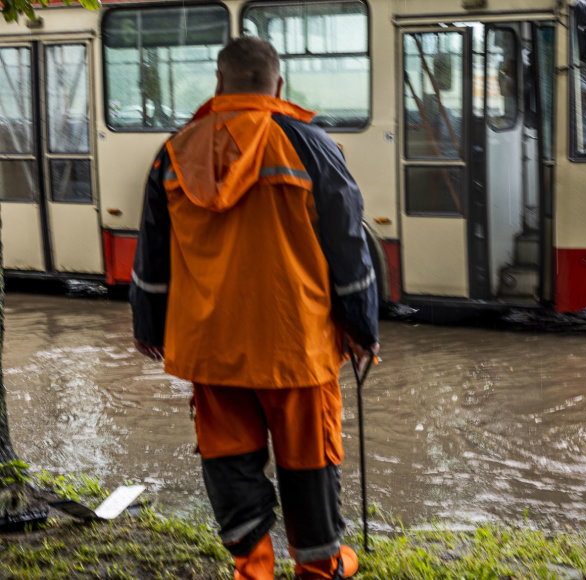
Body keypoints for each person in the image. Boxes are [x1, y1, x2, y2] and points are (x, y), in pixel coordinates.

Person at [129, 36, 379, 580]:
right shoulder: (311, 147)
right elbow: (348, 247)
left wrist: (148, 325)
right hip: (297, 345)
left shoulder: (175, 151)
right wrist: (363, 328)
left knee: (229, 460)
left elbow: (152, 252)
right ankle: (320, 569)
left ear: (219, 84)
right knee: (310, 461)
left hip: (210, 347)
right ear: (278, 86)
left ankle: (253, 569)